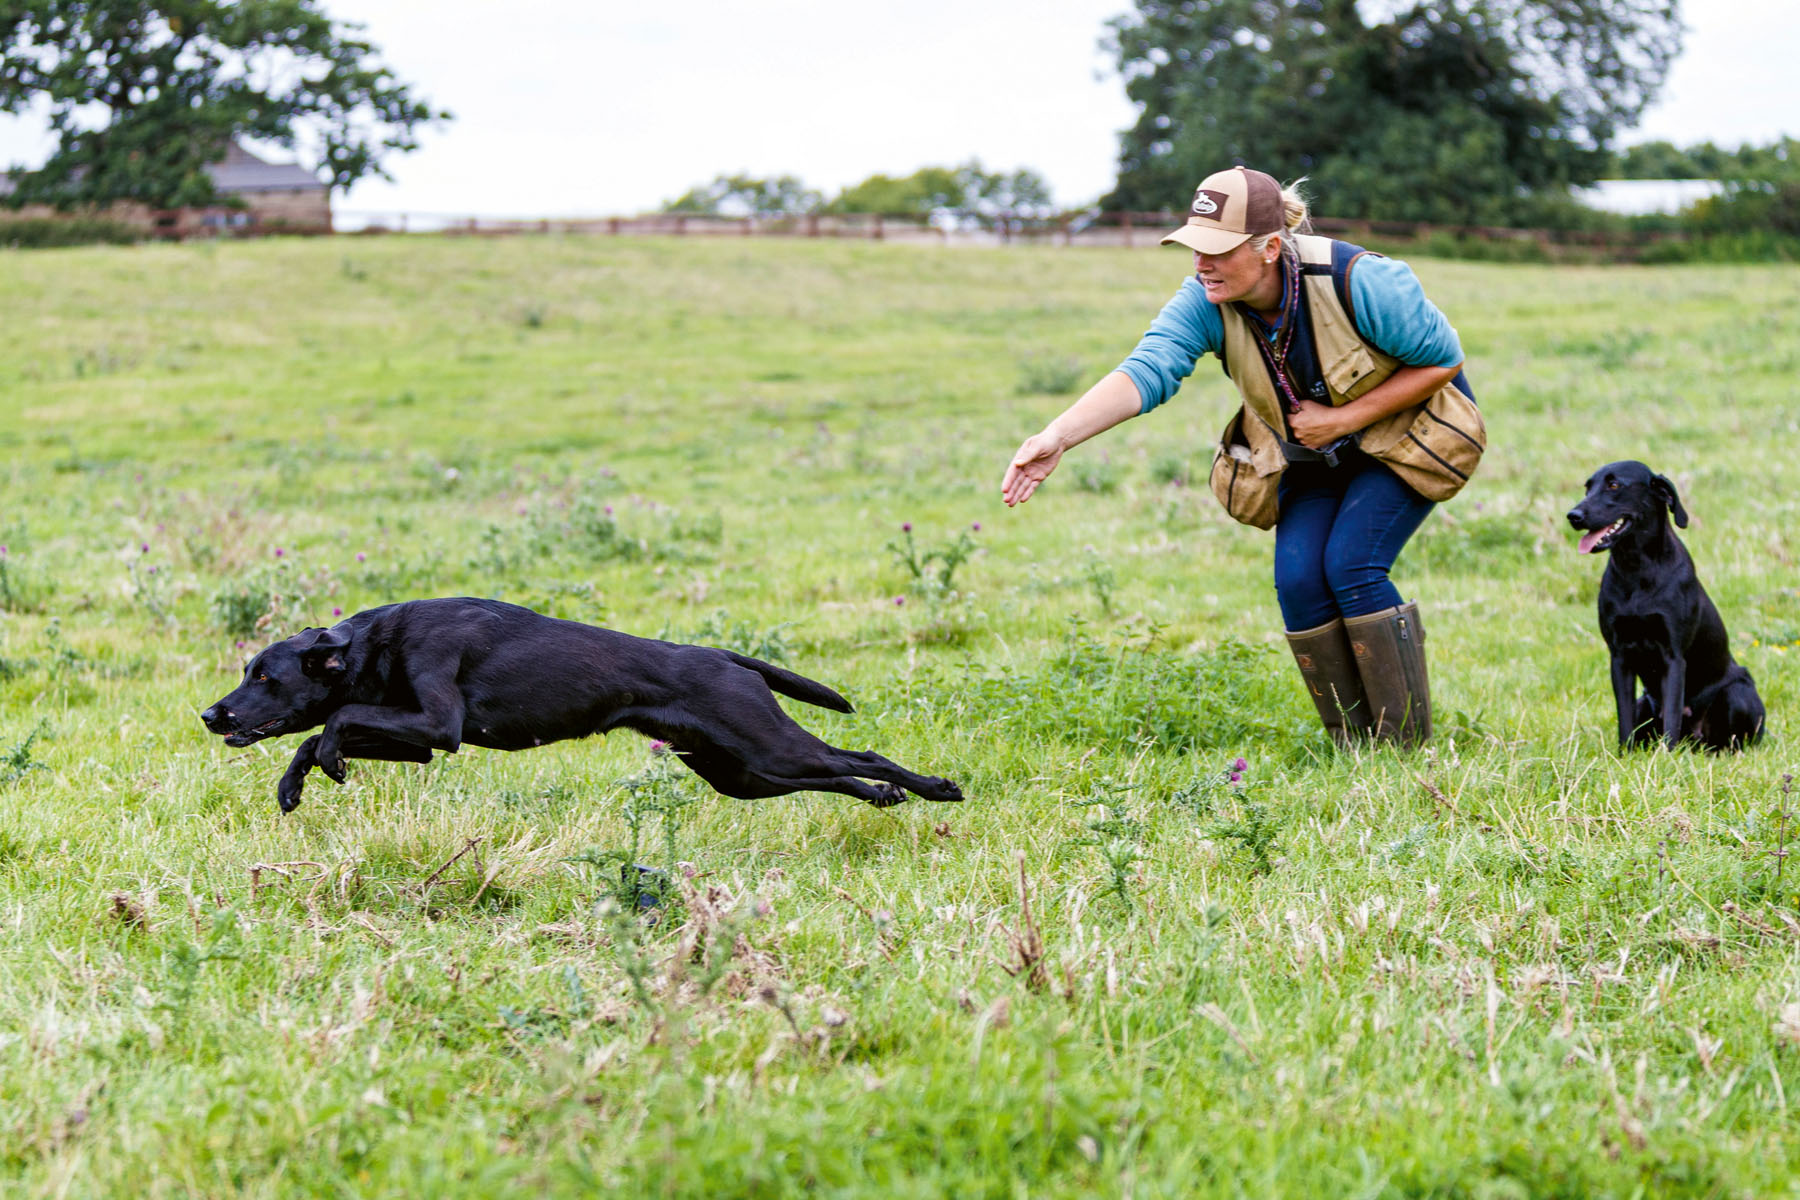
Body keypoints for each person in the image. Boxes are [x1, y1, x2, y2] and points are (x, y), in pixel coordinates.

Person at [1001, 166, 1484, 748]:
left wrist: (1343, 418)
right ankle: (1355, 748)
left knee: (1352, 565)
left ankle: (1404, 748)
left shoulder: (1360, 279)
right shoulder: (1205, 299)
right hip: (1309, 451)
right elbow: (1148, 368)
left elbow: (1443, 360)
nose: (1200, 264)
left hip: (1402, 437)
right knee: (1301, 580)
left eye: (1217, 251)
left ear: (1269, 248)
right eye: (1193, 248)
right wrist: (1058, 435)